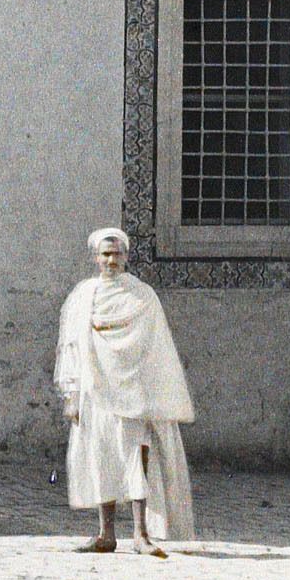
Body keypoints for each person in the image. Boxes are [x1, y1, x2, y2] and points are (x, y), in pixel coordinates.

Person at [54, 226, 195, 554]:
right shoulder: (82, 297)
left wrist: (152, 393)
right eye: (105, 254)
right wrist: (72, 394)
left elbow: (155, 348)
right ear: (95, 258)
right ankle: (106, 534)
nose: (111, 260)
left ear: (127, 256)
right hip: (95, 389)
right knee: (101, 456)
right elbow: (71, 347)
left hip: (133, 391)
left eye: (117, 254)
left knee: (136, 461)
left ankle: (141, 535)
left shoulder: (143, 296)